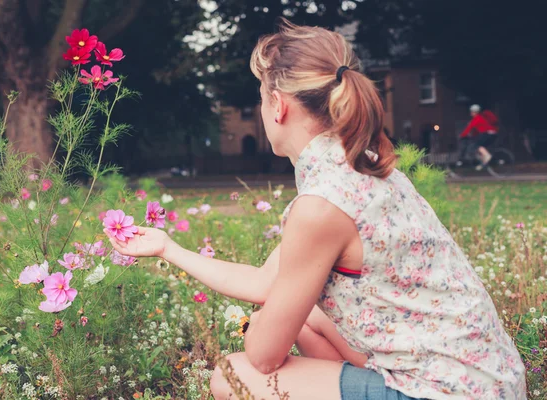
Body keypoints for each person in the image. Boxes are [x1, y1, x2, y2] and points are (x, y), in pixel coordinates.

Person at [108, 19, 525, 400]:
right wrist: (168, 248)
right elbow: (264, 282)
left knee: (231, 375)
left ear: (278, 105)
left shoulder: (322, 204)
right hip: (490, 381)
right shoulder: (366, 167)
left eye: (259, 99)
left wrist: (256, 327)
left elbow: (265, 355)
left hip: (446, 393)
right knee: (307, 318)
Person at [458, 104, 499, 170]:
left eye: (471, 112)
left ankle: (487, 156)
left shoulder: (476, 119)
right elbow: (476, 131)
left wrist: (462, 136)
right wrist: (472, 136)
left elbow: (468, 128)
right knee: (479, 147)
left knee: (477, 145)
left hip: (487, 134)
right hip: (492, 134)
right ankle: (483, 164)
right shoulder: (481, 118)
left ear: (475, 112)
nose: (470, 113)